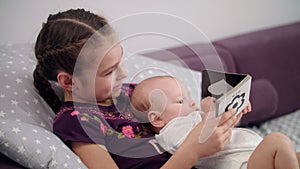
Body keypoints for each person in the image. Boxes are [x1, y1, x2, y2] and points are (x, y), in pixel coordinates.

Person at [33, 8, 250, 169]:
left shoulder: (131, 93)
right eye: (109, 72)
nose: (124, 73)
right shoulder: (78, 122)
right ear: (69, 82)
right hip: (193, 159)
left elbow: (187, 121)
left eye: (120, 62)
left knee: (276, 146)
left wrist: (224, 114)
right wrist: (193, 151)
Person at [130, 75, 300, 169]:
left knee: (295, 156)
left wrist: (234, 109)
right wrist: (210, 111)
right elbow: (199, 139)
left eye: (189, 97)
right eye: (181, 101)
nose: (192, 103)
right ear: (157, 118)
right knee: (278, 141)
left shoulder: (190, 118)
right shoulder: (170, 132)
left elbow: (222, 134)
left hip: (252, 156)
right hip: (244, 165)